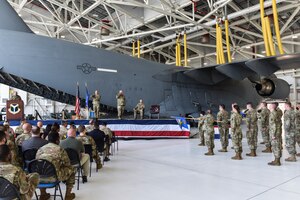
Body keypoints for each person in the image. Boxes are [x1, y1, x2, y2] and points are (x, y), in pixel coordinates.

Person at [36, 131, 76, 200]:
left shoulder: (40, 149)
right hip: (54, 177)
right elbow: (68, 164)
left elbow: (37, 163)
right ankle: (68, 195)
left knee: (41, 171)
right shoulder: (60, 149)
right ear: (57, 140)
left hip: (40, 178)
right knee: (72, 169)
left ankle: (43, 194)